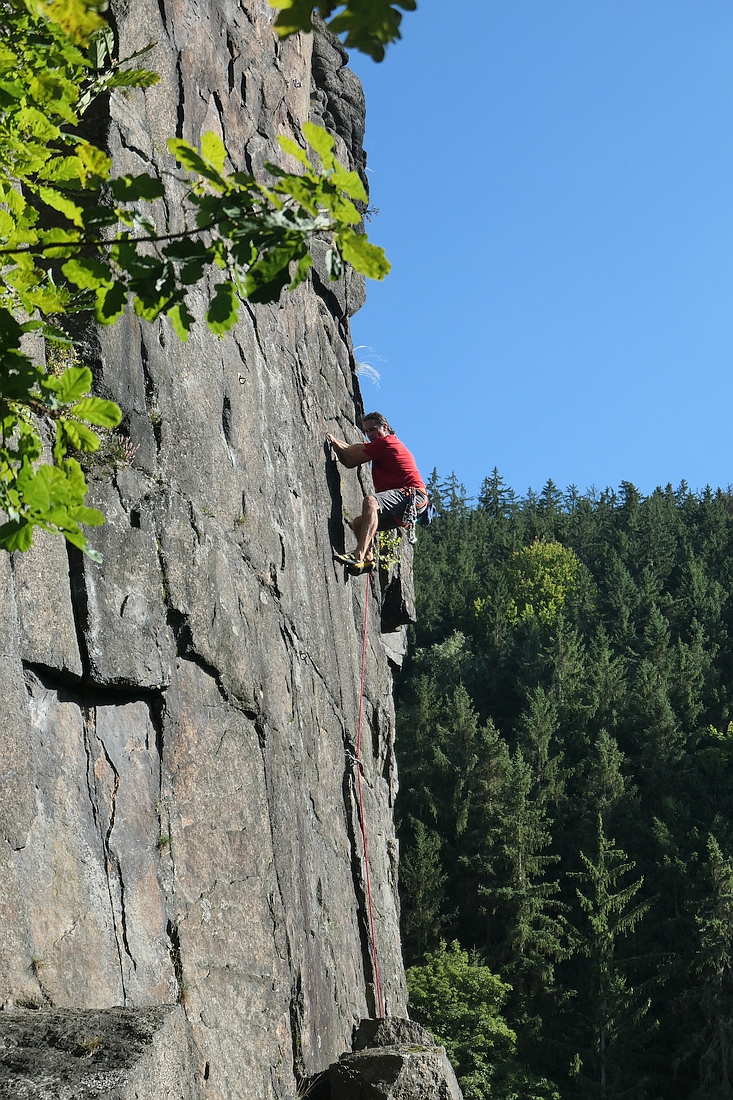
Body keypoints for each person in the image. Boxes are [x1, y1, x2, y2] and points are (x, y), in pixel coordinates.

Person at [327, 412, 428, 575]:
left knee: (371, 502)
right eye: (367, 431)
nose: (370, 434)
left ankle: (358, 554)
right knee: (359, 524)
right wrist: (334, 440)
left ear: (385, 427)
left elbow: (350, 460)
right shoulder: (382, 445)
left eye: (373, 429)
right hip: (410, 504)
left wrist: (333, 443)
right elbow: (354, 448)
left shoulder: (387, 444)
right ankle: (368, 559)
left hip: (412, 495)